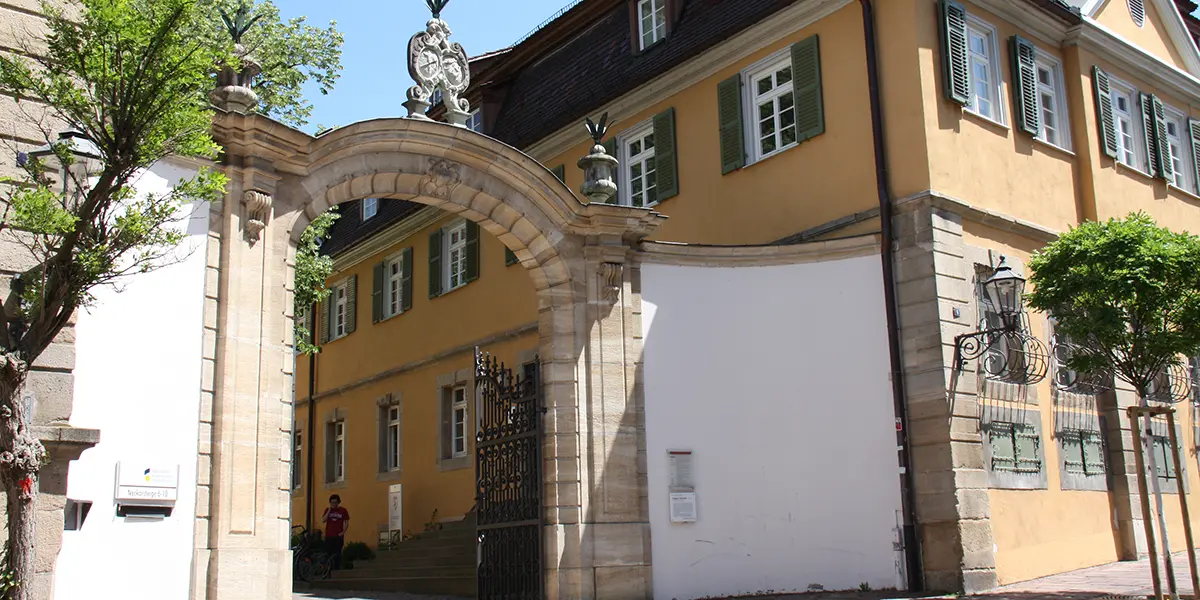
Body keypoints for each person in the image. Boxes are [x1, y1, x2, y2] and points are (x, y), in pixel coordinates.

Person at [321, 494, 350, 569]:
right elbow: (323, 520)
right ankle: (328, 568)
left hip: (338, 535)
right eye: (332, 503)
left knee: (337, 553)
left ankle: (336, 568)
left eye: (335, 502)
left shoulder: (343, 510)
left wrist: (343, 532)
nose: (334, 504)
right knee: (327, 553)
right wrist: (329, 511)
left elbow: (346, 522)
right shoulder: (327, 510)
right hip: (329, 535)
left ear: (338, 502)